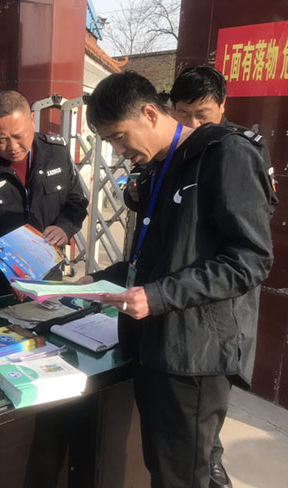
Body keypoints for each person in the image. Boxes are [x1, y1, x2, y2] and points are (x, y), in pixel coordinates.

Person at [81, 71, 274, 488]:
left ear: (150, 113)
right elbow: (161, 256)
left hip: (192, 354)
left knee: (182, 476)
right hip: (153, 344)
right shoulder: (160, 165)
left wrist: (158, 296)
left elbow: (250, 259)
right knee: (178, 468)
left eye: (119, 137)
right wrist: (94, 280)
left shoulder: (227, 154)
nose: (118, 151)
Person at [0, 89, 88, 298]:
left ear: (32, 120)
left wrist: (64, 227)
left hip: (48, 275)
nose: (12, 147)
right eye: (0, 139)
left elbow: (76, 200)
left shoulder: (56, 152)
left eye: (18, 136)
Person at [126, 65, 278, 217]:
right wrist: (134, 193)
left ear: (222, 105)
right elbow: (139, 174)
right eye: (184, 113)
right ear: (173, 108)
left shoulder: (244, 146)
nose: (193, 124)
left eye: (202, 115)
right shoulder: (166, 139)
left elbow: (265, 204)